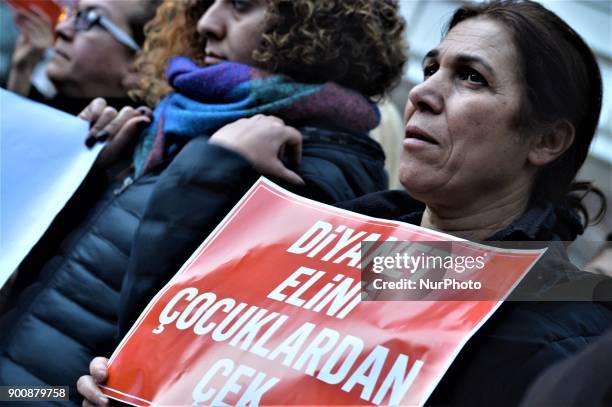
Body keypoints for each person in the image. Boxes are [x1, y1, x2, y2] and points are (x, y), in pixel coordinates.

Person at [74, 0, 612, 405]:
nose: (423, 94)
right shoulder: (325, 240)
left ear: (547, 141)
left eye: (472, 78)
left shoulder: (560, 328)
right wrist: (129, 384)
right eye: (431, 70)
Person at [0, 0, 406, 404]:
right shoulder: (182, 119)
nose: (207, 23)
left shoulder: (323, 164)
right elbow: (74, 276)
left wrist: (211, 168)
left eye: (240, 5)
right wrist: (91, 175)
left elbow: (181, 335)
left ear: (319, 26)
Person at [7, 0, 160, 114]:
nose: (61, 28)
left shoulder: (141, 149)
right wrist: (21, 73)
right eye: (74, 13)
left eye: (91, 18)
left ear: (139, 66)